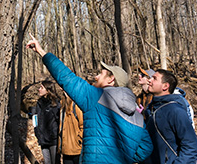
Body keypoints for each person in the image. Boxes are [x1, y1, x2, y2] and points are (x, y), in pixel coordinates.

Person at [26, 35, 153, 164]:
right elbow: (146, 148)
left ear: (111, 79)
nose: (96, 77)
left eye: (101, 74)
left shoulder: (97, 97)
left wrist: (41, 51)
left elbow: (66, 77)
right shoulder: (137, 116)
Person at [143, 69, 197, 164]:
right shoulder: (150, 108)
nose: (149, 80)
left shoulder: (175, 110)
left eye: (154, 78)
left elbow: (191, 146)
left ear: (165, 86)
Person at [32, 80, 61, 164]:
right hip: (42, 139)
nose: (39, 89)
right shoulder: (39, 103)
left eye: (41, 87)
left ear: (48, 90)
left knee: (55, 162)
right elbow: (36, 119)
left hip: (53, 140)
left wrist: (55, 135)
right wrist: (37, 132)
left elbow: (59, 121)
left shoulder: (56, 103)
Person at [60, 92, 83, 164]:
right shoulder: (62, 105)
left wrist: (79, 139)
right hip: (66, 149)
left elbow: (83, 125)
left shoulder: (76, 105)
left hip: (77, 148)